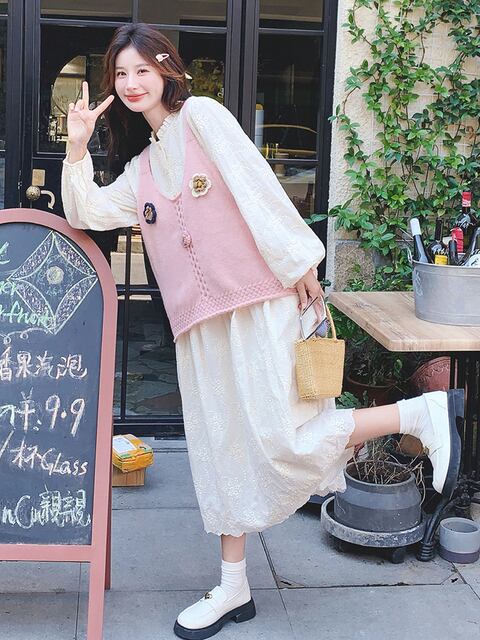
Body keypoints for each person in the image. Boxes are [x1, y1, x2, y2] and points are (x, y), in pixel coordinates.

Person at [61, 23, 462, 640]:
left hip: (258, 304)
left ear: (167, 69)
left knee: (280, 436)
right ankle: (233, 585)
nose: (132, 82)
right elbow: (87, 210)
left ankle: (418, 414)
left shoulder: (203, 117)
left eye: (143, 69)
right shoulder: (142, 168)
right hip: (198, 328)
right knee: (220, 451)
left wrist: (299, 263)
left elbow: (256, 184)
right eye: (121, 73)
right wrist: (77, 148)